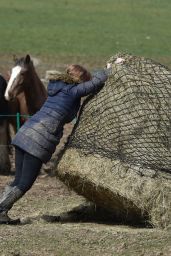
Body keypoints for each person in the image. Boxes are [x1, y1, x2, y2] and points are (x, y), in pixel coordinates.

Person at [0, 64, 108, 224]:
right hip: (37, 140)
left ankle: (2, 211)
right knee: (25, 182)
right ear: (80, 79)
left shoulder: (57, 88)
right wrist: (109, 68)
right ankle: (1, 210)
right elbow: (96, 82)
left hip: (24, 134)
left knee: (17, 180)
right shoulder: (72, 91)